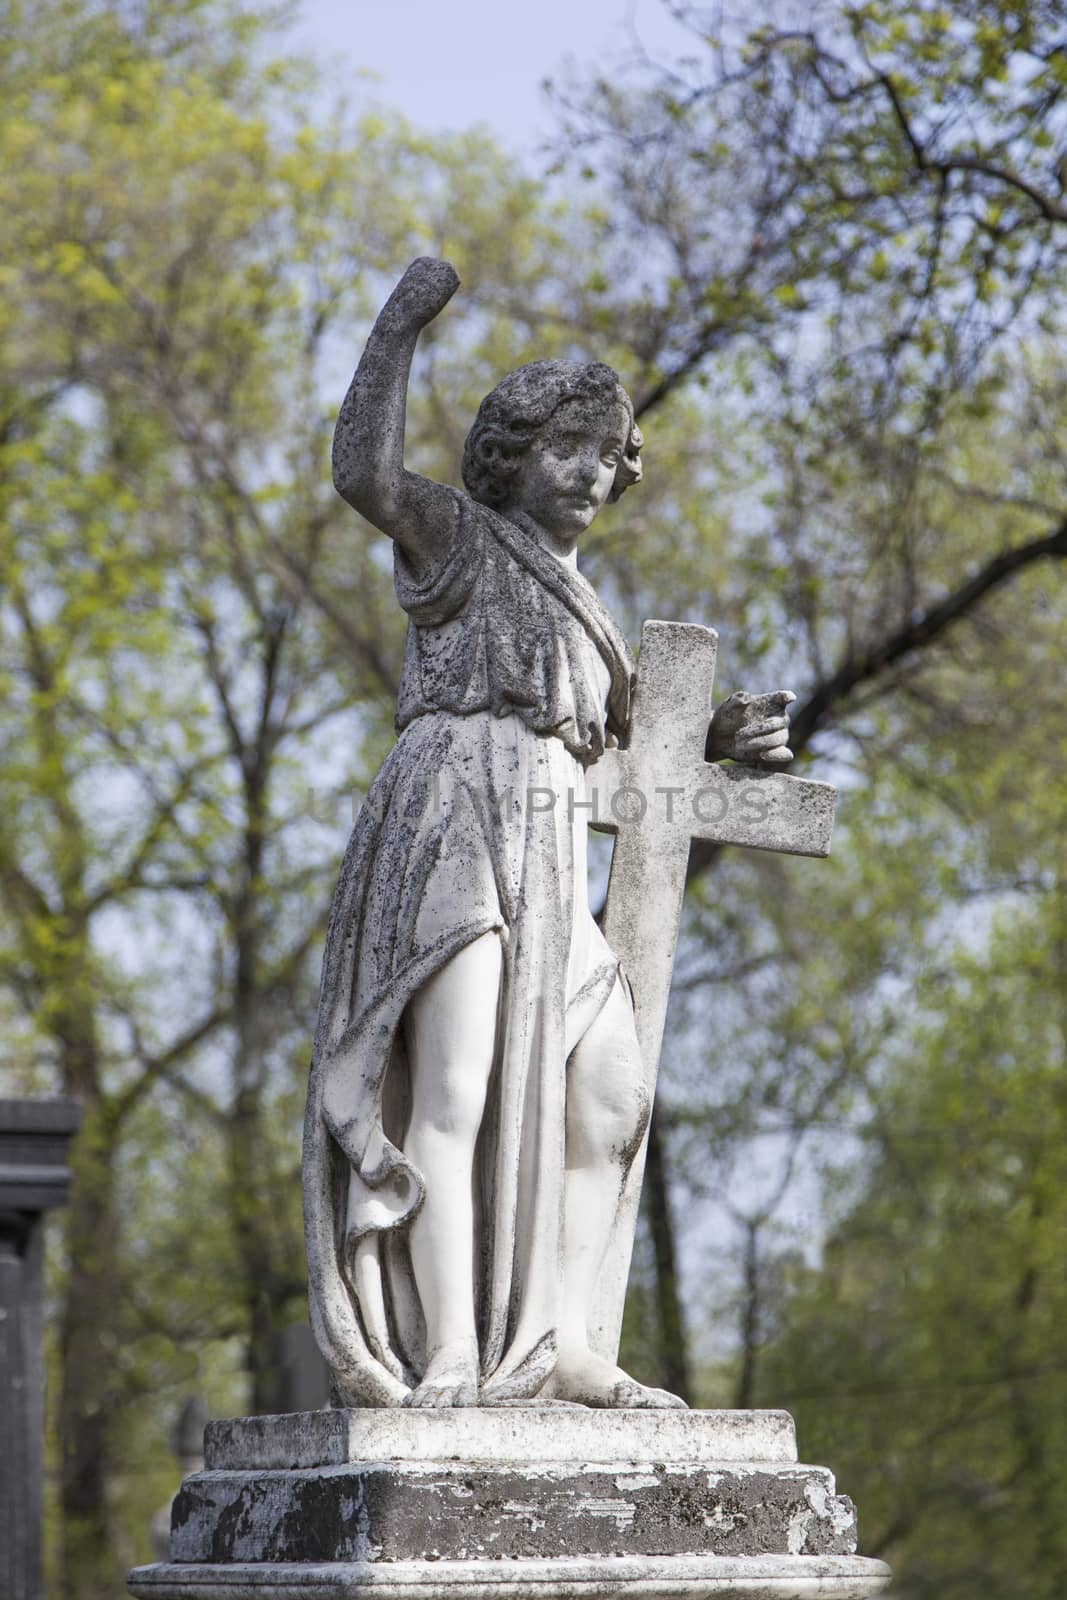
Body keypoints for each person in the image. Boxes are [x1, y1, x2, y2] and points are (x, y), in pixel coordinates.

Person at [303, 258, 792, 1409]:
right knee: (457, 1090)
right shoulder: (459, 542)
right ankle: (456, 1357)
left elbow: (628, 745)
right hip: (453, 824)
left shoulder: (593, 614)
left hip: (548, 845)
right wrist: (400, 320)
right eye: (562, 447)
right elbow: (362, 471)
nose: (585, 472)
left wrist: (723, 734)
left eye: (603, 453)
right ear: (511, 455)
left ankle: (563, 1340)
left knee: (609, 1093)